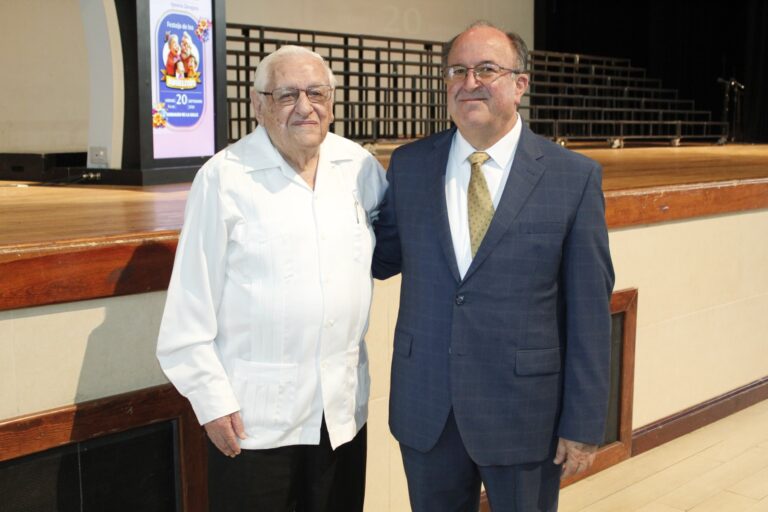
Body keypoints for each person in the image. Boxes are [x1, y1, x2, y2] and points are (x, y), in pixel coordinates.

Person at [373, 21, 615, 511]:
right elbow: (379, 257)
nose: (469, 83)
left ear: (519, 84)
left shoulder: (573, 178)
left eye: (486, 69)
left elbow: (590, 312)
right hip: (428, 408)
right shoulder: (409, 166)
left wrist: (584, 423)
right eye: (457, 71)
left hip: (525, 414)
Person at [157, 45, 386, 511]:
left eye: (317, 93)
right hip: (254, 423)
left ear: (333, 101)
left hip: (341, 417)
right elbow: (187, 310)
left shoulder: (358, 167)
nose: (306, 107)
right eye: (286, 95)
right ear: (258, 105)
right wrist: (211, 402)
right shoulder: (223, 179)